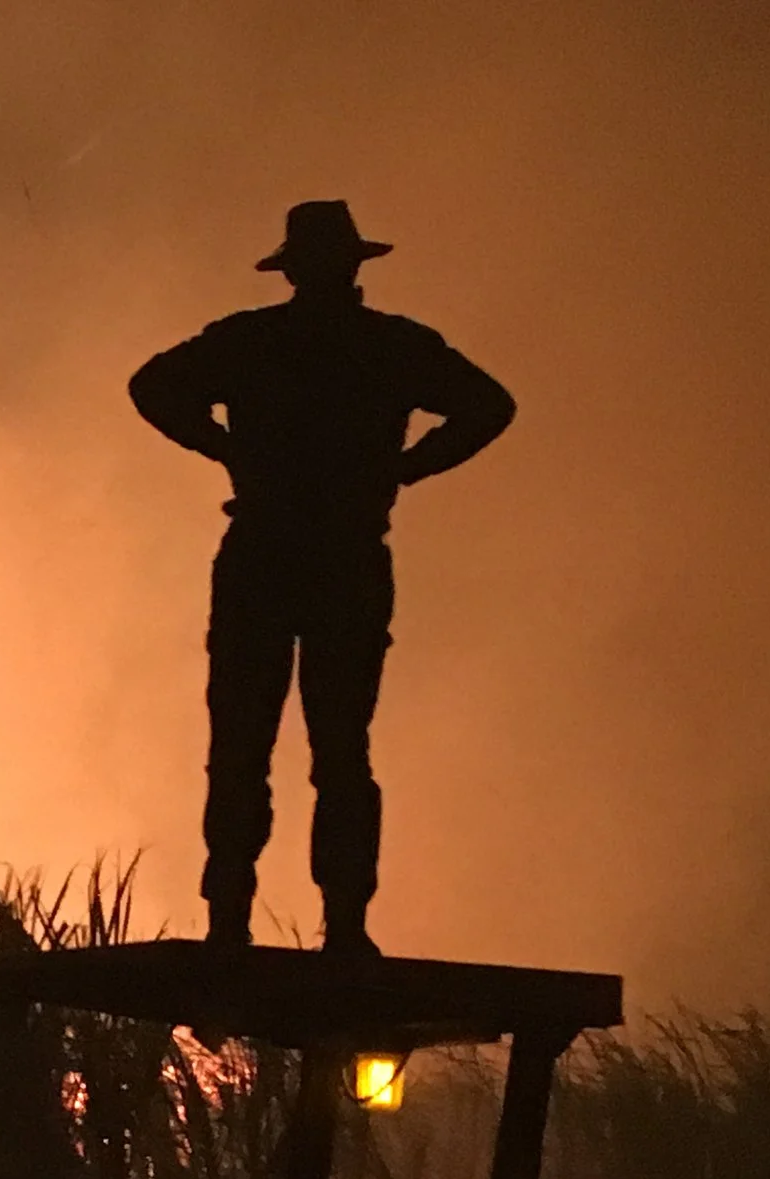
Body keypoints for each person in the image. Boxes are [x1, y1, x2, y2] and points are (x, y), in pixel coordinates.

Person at [129, 200, 516, 956]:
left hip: (264, 553)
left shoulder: (253, 341)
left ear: (294, 269)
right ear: (354, 266)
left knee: (243, 743)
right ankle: (344, 929)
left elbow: (153, 387)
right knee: (341, 749)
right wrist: (407, 469)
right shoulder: (390, 348)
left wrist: (223, 447)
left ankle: (230, 925)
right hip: (346, 556)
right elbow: (488, 406)